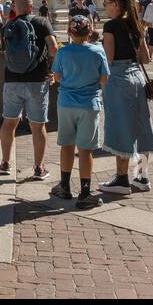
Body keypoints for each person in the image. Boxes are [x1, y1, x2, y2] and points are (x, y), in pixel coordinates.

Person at [98, 0, 153, 195]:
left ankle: (122, 179)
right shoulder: (136, 24)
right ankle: (142, 176)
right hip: (137, 77)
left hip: (118, 78)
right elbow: (146, 59)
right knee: (141, 125)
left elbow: (109, 58)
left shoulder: (111, 25)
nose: (105, 7)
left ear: (115, 5)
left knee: (119, 125)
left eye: (107, 3)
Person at [50, 13, 110, 208]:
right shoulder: (97, 51)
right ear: (90, 31)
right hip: (89, 105)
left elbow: (57, 76)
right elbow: (104, 79)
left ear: (69, 31)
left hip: (66, 103)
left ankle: (65, 186)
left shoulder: (63, 52)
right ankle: (85, 193)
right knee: (86, 150)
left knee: (66, 145)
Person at [0, 0, 57, 179]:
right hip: (37, 80)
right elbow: (54, 47)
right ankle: (39, 168)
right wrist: (49, 66)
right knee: (38, 126)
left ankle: (5, 163)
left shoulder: (8, 26)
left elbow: (4, 50)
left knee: (9, 122)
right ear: (31, 7)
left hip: (12, 80)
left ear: (14, 8)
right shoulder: (41, 22)